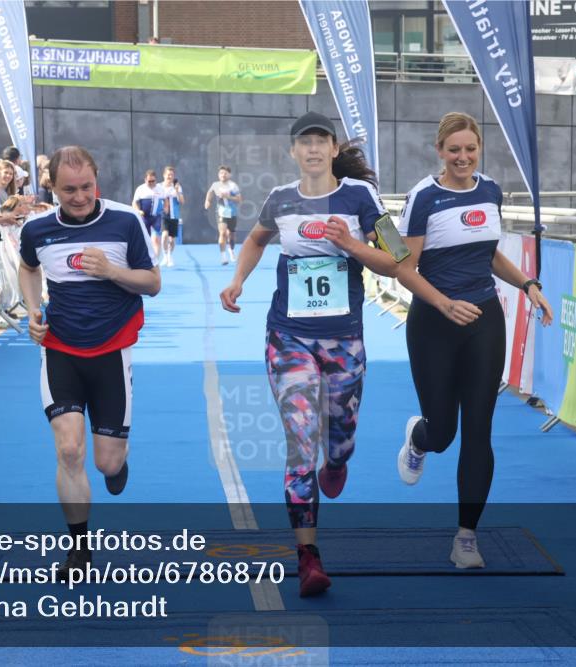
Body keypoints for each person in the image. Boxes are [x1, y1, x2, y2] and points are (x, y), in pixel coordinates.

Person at [219, 112, 399, 597]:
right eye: (305, 142)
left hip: (344, 342)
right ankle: (308, 557)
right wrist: (238, 280)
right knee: (301, 444)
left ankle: (337, 462)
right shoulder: (280, 199)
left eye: (321, 141)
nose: (313, 149)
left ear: (334, 149)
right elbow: (256, 239)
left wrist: (350, 244)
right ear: (293, 151)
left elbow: (397, 258)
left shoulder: (361, 198)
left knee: (337, 441)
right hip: (288, 337)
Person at [394, 112, 553, 569]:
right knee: (444, 432)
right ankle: (419, 438)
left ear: (479, 148)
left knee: (479, 429)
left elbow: (489, 254)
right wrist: (445, 304)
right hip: (433, 323)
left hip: (484, 321)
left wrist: (527, 284)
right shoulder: (424, 197)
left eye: (470, 149)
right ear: (439, 151)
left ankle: (466, 536)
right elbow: (404, 268)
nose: (463, 157)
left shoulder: (491, 191)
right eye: (454, 150)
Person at [18, 146, 160, 580]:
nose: (79, 197)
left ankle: (119, 459)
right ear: (52, 187)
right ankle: (79, 550)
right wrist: (32, 310)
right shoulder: (37, 228)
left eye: (86, 187)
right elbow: (28, 268)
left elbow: (152, 283)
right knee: (68, 449)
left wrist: (112, 271)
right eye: (68, 190)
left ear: (97, 179)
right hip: (60, 348)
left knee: (106, 464)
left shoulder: (125, 221)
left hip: (112, 350)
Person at [205, 165, 241, 265]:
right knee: (223, 233)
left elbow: (239, 199)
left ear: (229, 175)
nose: (223, 175)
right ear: (218, 175)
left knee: (231, 235)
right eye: (221, 173)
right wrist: (207, 201)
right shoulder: (215, 185)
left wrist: (228, 196)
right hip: (221, 212)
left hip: (232, 212)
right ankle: (223, 256)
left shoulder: (233, 186)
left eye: (225, 173)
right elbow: (210, 193)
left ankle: (231, 250)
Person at [131, 170, 164, 261]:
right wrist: (138, 211)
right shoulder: (140, 189)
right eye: (149, 181)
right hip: (145, 218)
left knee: (156, 239)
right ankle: (146, 259)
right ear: (145, 180)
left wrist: (165, 208)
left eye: (153, 181)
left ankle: (156, 260)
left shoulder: (160, 188)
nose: (151, 183)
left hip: (156, 218)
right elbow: (134, 203)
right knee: (145, 240)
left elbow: (165, 200)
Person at [160, 165, 184, 267]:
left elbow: (182, 201)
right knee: (164, 235)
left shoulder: (177, 187)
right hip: (163, 215)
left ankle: (170, 256)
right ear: (164, 175)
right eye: (168, 174)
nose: (170, 176)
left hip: (174, 216)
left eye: (172, 175)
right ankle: (165, 255)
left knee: (172, 239)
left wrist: (177, 191)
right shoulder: (159, 187)